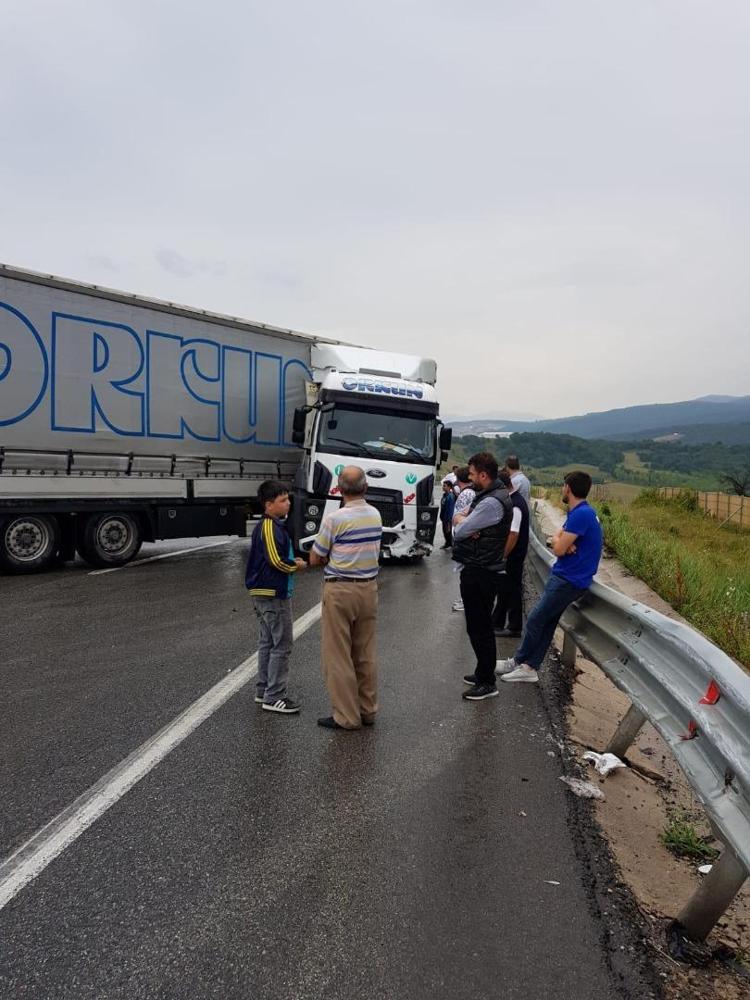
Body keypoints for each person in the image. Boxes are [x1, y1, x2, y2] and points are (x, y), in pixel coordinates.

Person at [498, 470, 603, 683]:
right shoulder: (582, 512)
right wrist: (559, 541)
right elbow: (556, 538)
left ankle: (519, 661)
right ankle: (529, 667)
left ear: (568, 488)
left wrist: (560, 543)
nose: (563, 490)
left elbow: (557, 548)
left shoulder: (580, 515)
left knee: (536, 619)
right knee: (547, 622)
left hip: (568, 580)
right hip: (569, 578)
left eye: (564, 486)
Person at [310, 466, 383, 730]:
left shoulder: (335, 519)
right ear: (365, 488)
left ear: (339, 489)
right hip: (368, 589)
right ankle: (367, 710)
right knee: (365, 653)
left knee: (338, 655)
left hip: (340, 589)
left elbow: (316, 556)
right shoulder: (375, 514)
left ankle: (346, 716)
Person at [452, 452, 512, 701]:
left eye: (473, 474)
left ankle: (487, 682)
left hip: (481, 570)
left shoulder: (490, 503)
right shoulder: (489, 495)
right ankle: (482, 672)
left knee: (480, 628)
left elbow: (460, 530)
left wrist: (466, 524)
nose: (470, 478)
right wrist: (465, 522)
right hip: (481, 567)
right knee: (478, 626)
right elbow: (459, 518)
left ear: (484, 475)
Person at [245, 480, 307, 713]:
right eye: (282, 500)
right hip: (272, 592)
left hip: (265, 592)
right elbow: (275, 560)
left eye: (287, 499)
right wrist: (296, 565)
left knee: (268, 642)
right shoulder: (270, 526)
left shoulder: (272, 525)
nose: (288, 503)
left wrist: (291, 562)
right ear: (268, 505)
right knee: (282, 644)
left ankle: (264, 690)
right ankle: (274, 696)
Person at [492, 468, 530, 638]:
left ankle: (514, 627)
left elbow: (513, 534)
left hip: (513, 556)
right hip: (513, 555)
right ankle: (497, 622)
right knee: (504, 590)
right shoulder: (515, 500)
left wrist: (503, 555)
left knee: (512, 591)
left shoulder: (515, 505)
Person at [450, 467, 475, 612]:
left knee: (465, 572)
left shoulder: (466, 494)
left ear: (459, 480)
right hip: (465, 535)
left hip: (464, 537)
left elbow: (461, 516)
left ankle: (465, 600)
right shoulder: (471, 492)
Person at [439, 480, 456, 548]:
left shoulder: (450, 497)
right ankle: (447, 543)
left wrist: (449, 521)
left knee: (448, 532)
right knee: (445, 532)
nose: (443, 487)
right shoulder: (445, 495)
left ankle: (451, 544)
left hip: (448, 519)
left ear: (449, 487)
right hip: (444, 518)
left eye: (444, 486)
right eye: (443, 486)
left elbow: (450, 510)